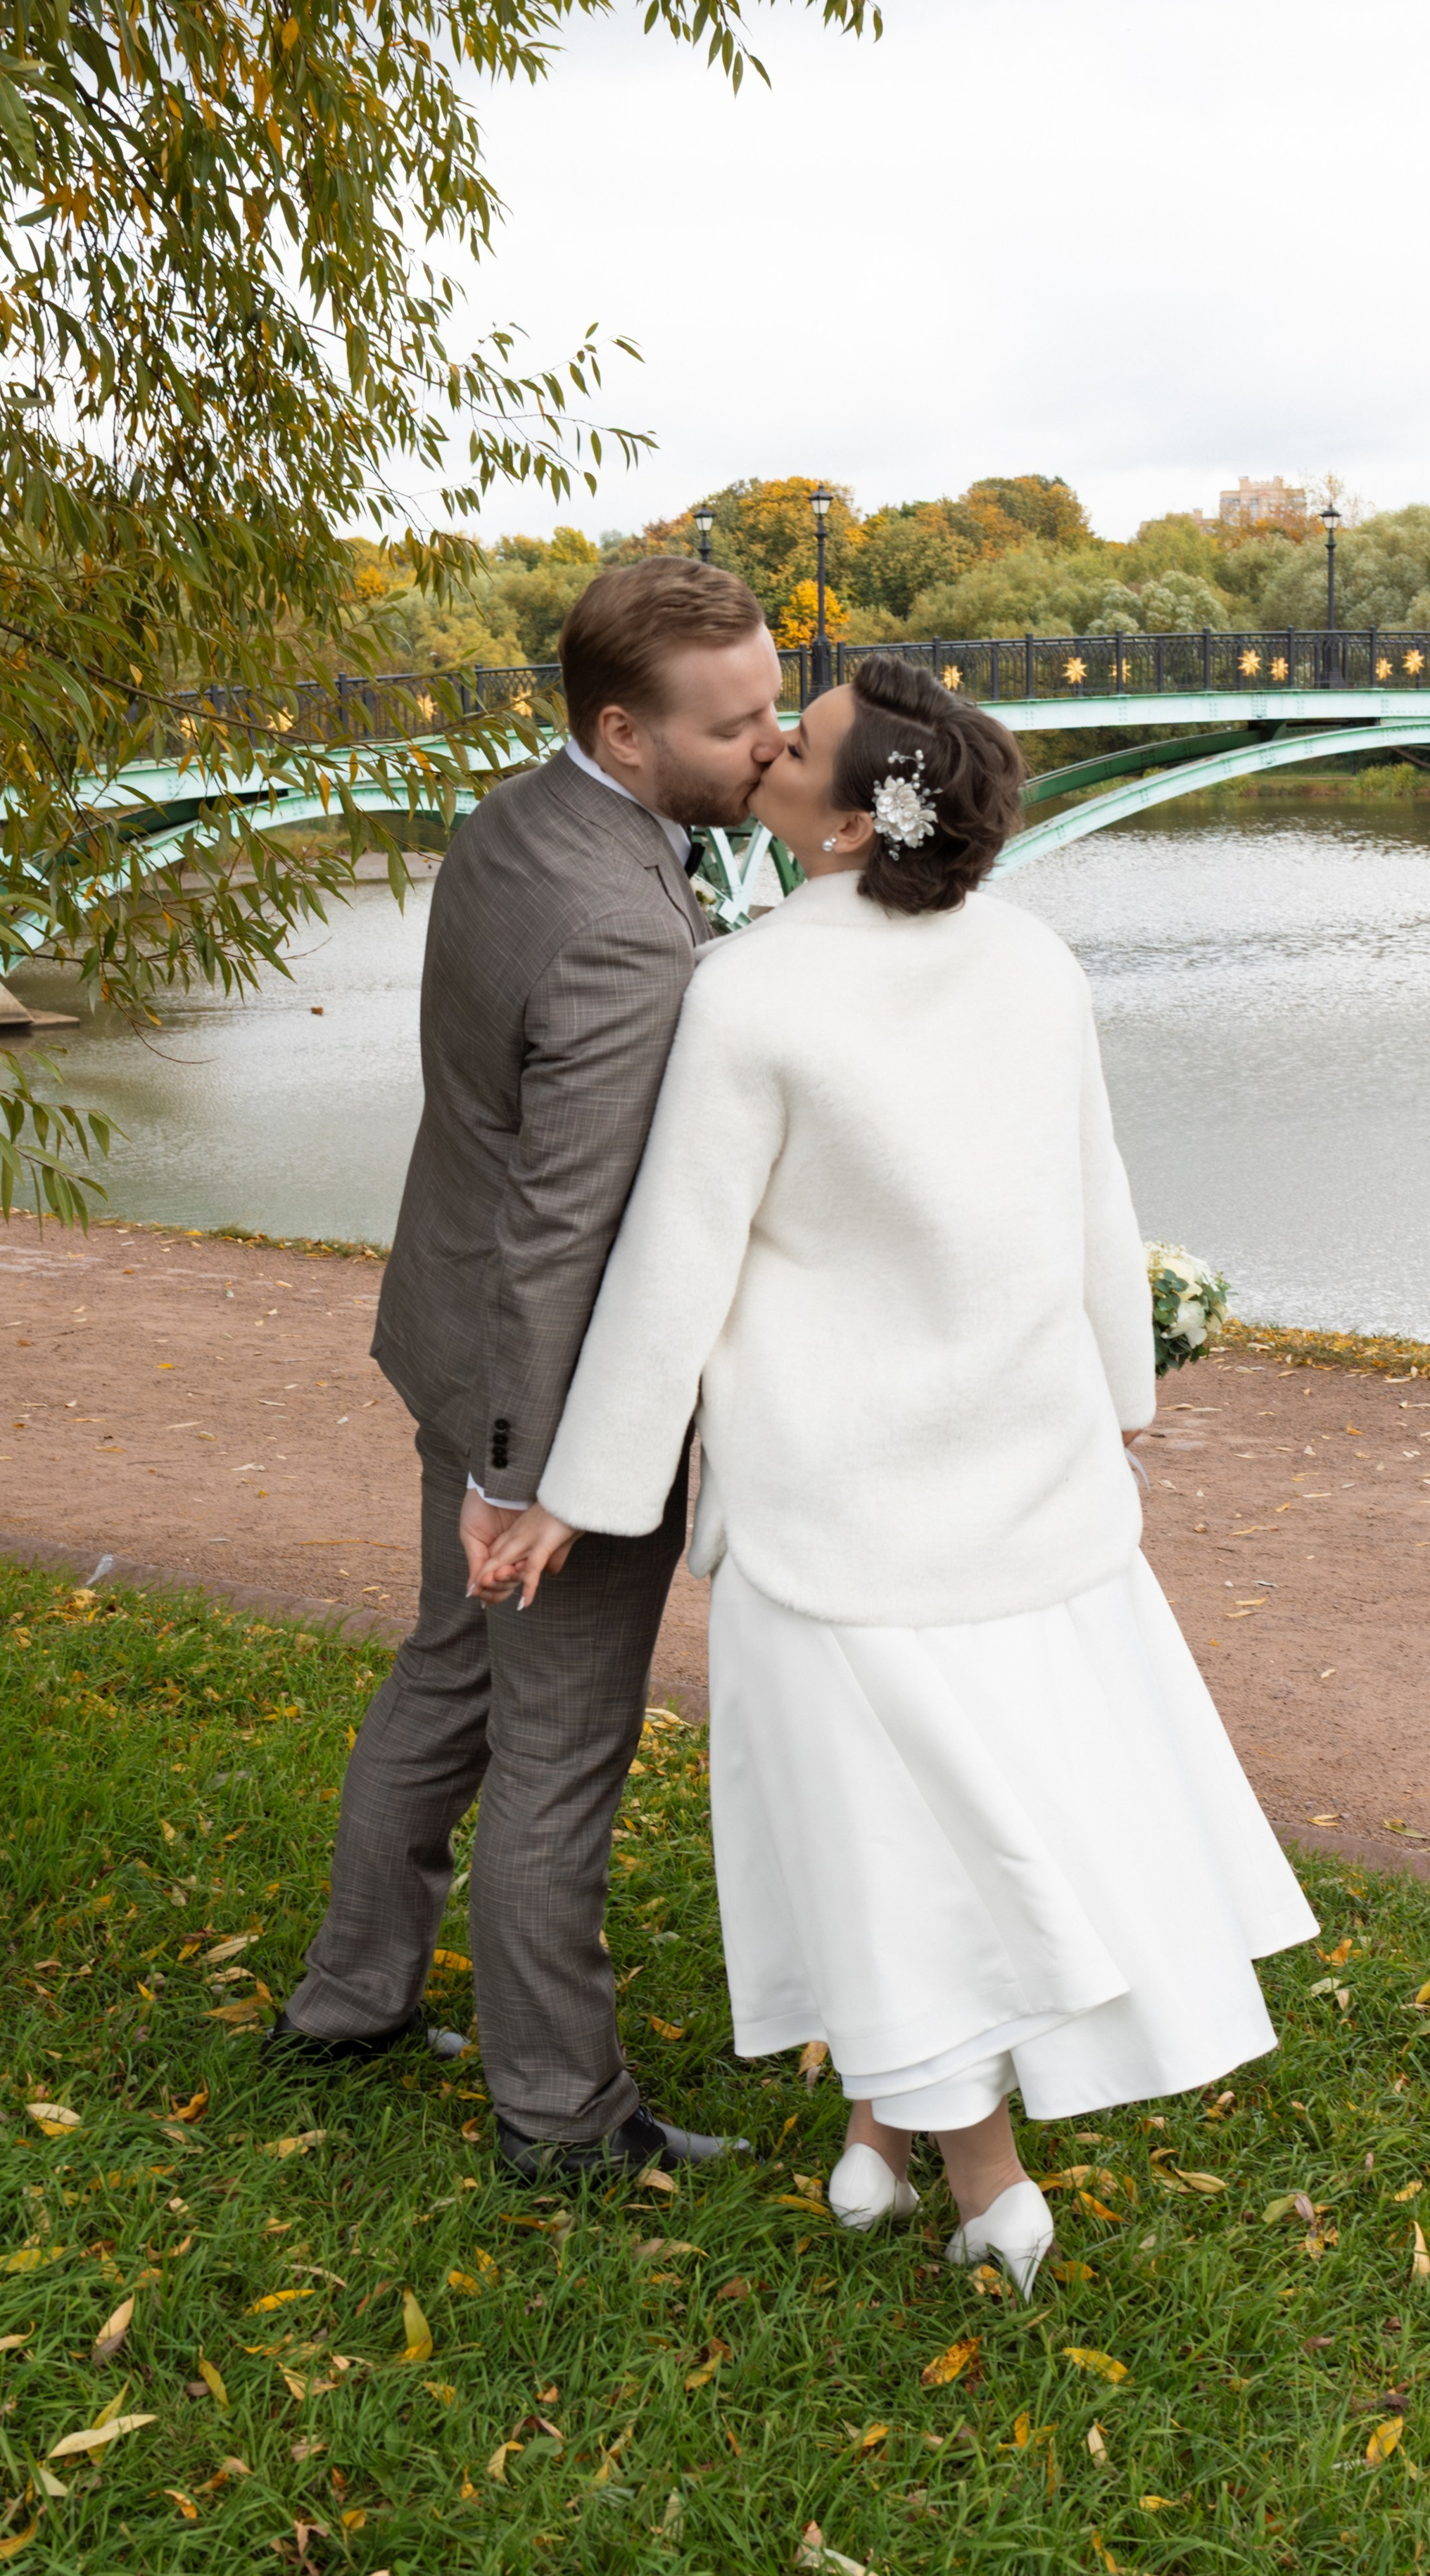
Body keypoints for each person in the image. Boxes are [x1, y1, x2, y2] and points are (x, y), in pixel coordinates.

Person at [477, 652, 1319, 2292]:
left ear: (857, 824)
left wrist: (572, 1493)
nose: (775, 746)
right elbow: (1096, 1200)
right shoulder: (1030, 959)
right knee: (972, 1808)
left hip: (834, 1506)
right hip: (1023, 1483)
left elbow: (673, 1273)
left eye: (806, 741)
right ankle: (875, 2120)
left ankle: (989, 2189)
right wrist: (1119, 1397)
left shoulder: (751, 991)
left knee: (889, 1846)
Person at [273, 557, 785, 2190]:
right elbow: (568, 1225)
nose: (770, 743)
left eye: (778, 706)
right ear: (624, 732)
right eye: (739, 724)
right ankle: (559, 2117)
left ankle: (349, 2005)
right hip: (553, 1406)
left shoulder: (515, 817)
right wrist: (526, 1477)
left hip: (446, 1329)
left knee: (444, 1679)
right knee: (557, 1747)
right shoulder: (618, 928)